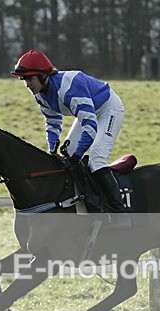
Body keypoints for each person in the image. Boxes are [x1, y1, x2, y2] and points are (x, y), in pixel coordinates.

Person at [10, 50, 129, 222]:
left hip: (108, 109)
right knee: (67, 154)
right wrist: (52, 149)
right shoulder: (40, 95)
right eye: (24, 80)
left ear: (43, 75)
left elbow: (90, 126)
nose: (27, 84)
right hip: (87, 112)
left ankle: (120, 215)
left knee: (97, 159)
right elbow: (52, 122)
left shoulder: (69, 88)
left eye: (29, 79)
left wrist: (78, 155)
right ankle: (85, 201)